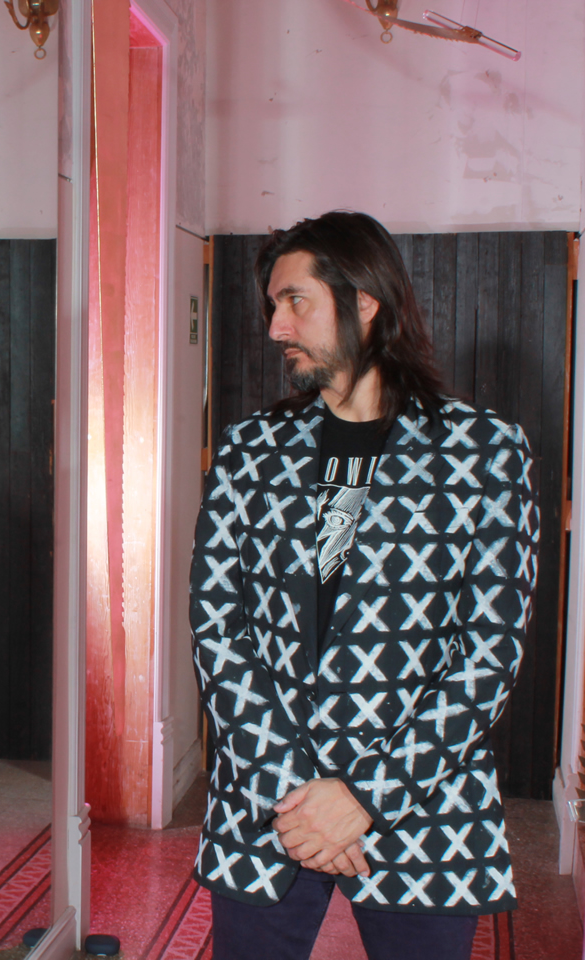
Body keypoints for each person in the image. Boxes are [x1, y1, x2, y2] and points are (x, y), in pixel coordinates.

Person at [189, 211, 538, 960]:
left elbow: (489, 651)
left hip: (424, 811)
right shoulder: (249, 452)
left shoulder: (484, 454)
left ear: (364, 302)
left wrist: (363, 798)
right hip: (268, 807)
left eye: (296, 301)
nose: (276, 327)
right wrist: (296, 796)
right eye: (273, 306)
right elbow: (218, 629)